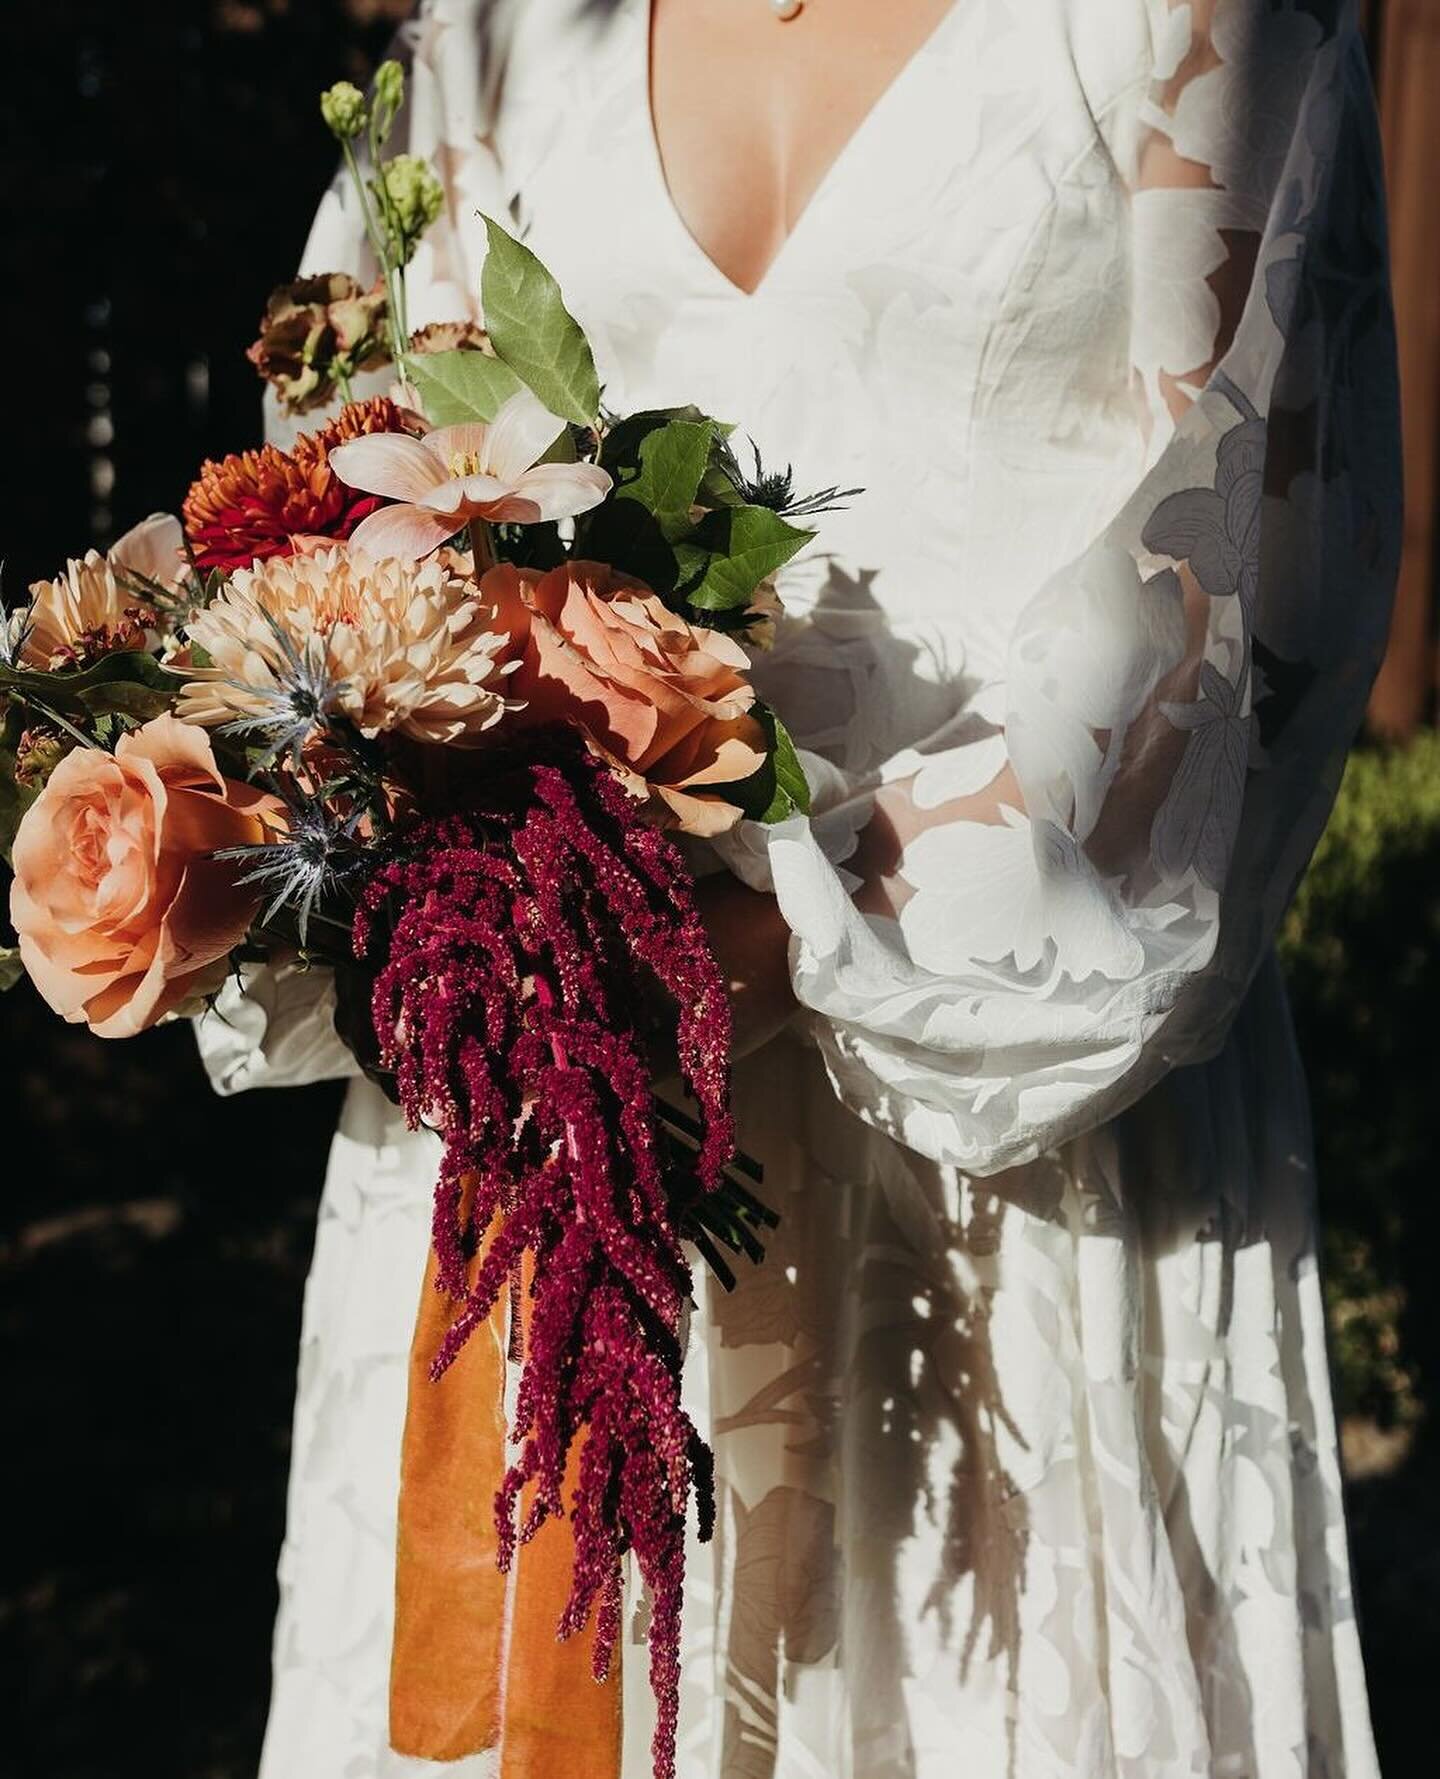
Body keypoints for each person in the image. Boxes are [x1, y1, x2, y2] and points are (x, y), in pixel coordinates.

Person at [197, 1, 1400, 1773]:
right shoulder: (492, 40)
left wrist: (778, 933)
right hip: (550, 1113)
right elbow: (336, 491)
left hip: (998, 1108)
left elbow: (1242, 552)